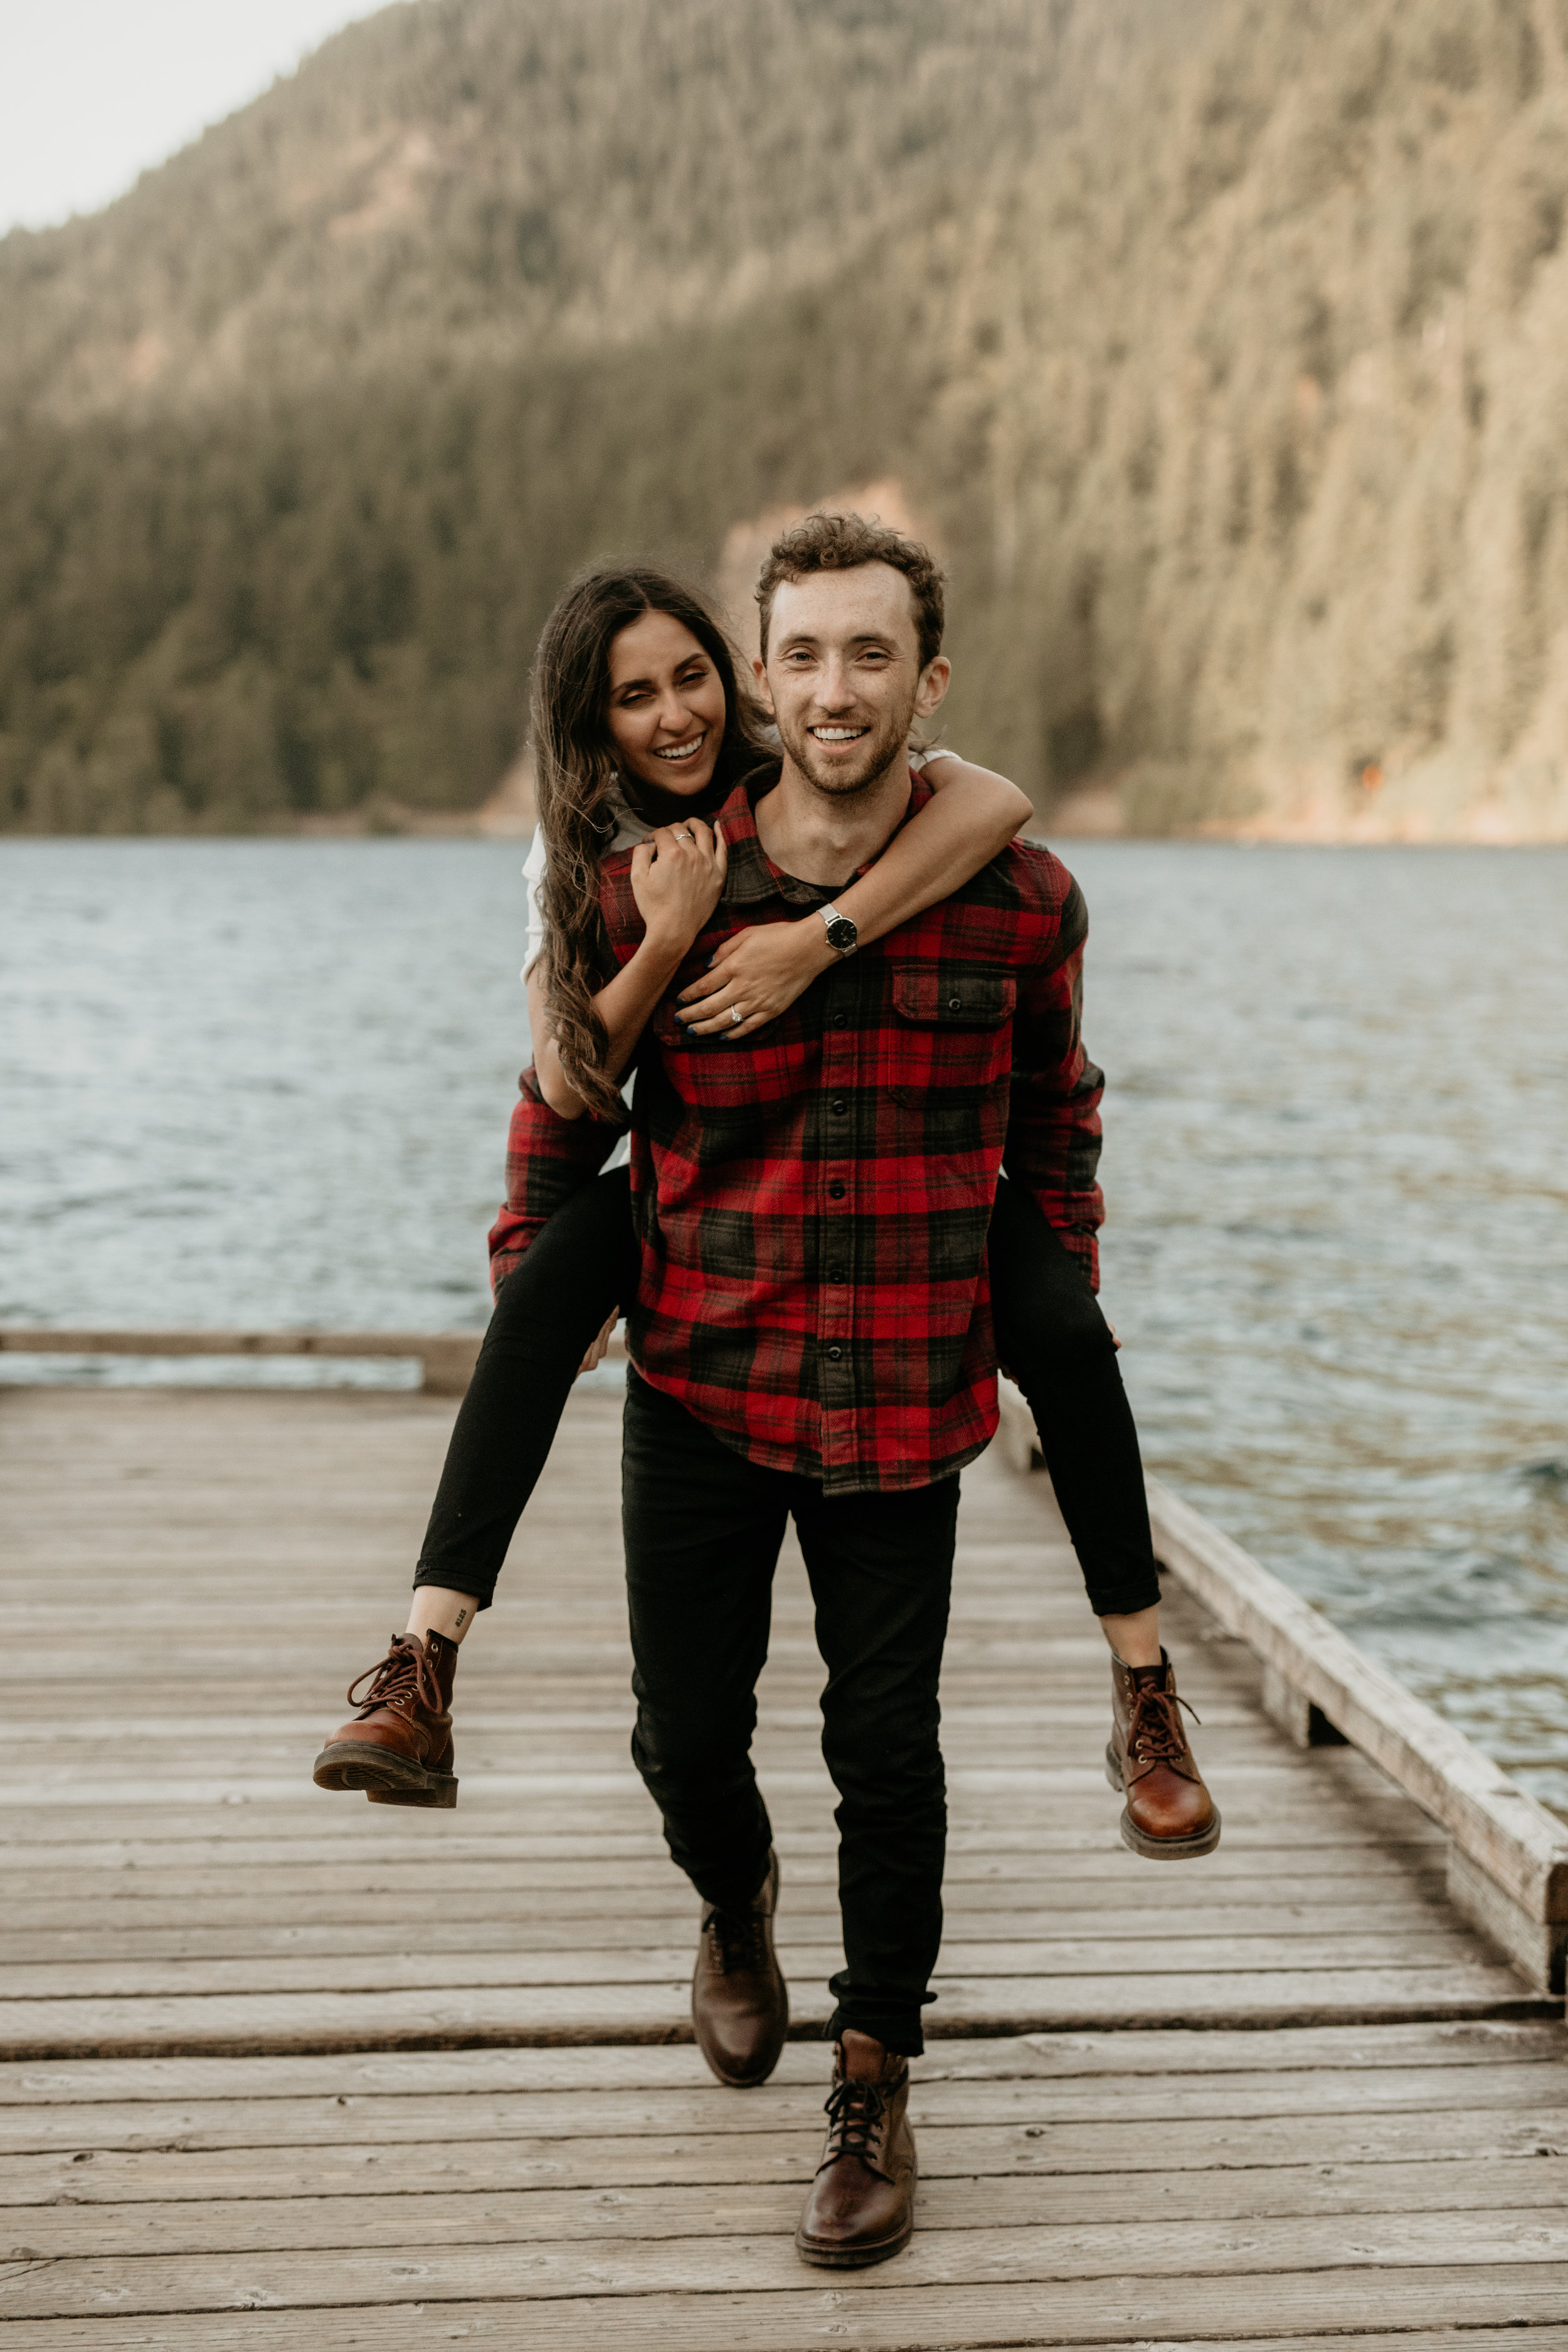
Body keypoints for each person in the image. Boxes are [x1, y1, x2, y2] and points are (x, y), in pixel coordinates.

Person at [455, 513, 1219, 2268]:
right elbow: (565, 1088)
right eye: (799, 653)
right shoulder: (661, 866)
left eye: (868, 654)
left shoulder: (1018, 896)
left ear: (924, 680)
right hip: (704, 1377)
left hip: (902, 1391)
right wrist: (535, 1272)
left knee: (888, 1754)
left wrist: (1055, 1298)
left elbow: (1057, 1111)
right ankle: (731, 1904)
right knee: (680, 1740)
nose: (831, 688)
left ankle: (872, 2081)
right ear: (759, 677)